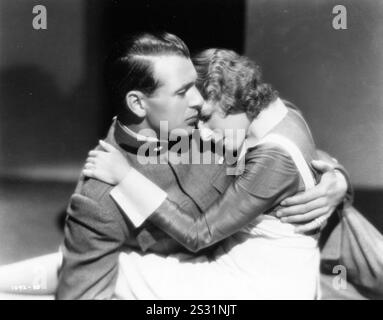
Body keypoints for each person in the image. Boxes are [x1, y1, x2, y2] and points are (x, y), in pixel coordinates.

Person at [0, 33, 349, 300]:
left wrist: (335, 179)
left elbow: (281, 146)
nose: (199, 101)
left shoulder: (202, 128)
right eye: (184, 92)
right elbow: (81, 289)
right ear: (137, 103)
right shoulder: (99, 197)